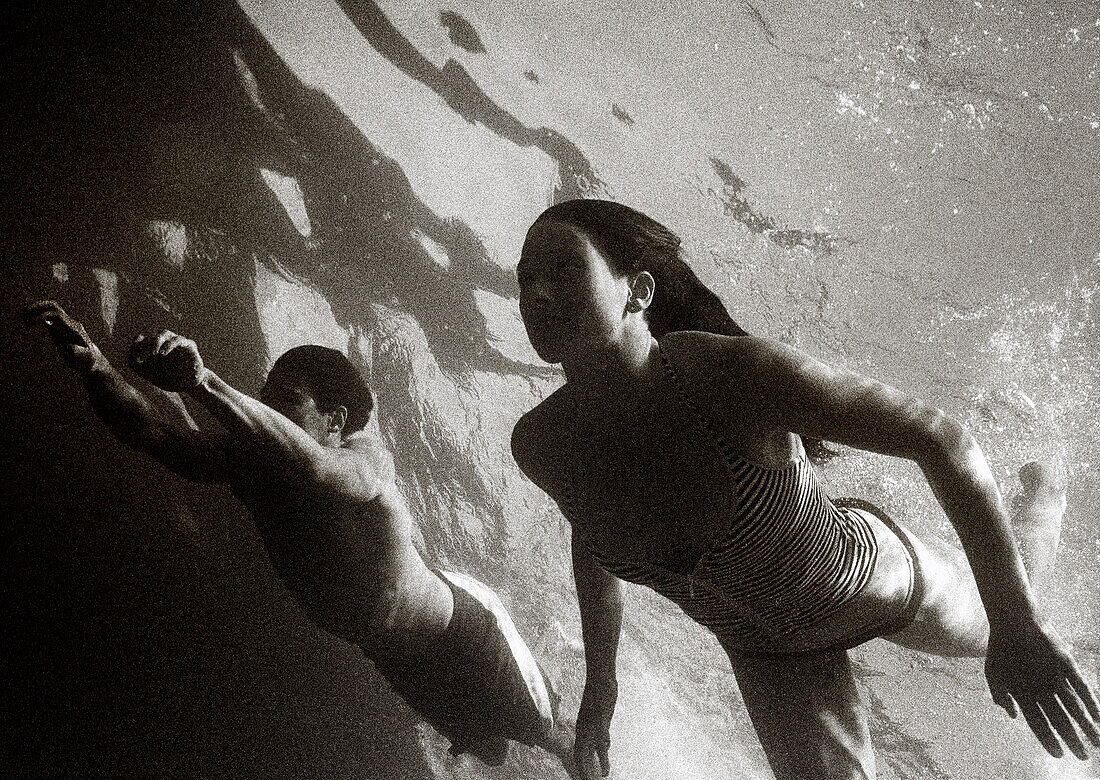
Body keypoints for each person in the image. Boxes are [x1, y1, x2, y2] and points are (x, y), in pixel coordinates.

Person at [508, 199, 1100, 779]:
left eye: (565, 269)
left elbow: (940, 438)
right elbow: (592, 536)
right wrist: (601, 684)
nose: (539, 294)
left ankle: (1046, 486)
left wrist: (1018, 623)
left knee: (1008, 604)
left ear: (637, 292)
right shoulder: (541, 446)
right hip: (770, 654)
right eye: (526, 278)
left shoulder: (726, 377)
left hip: (870, 580)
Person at [23, 300, 572, 770]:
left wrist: (203, 382)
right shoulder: (249, 463)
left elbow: (317, 472)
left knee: (565, 745)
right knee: (490, 752)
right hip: (397, 658)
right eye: (263, 397)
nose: (260, 413)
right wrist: (92, 365)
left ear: (334, 420)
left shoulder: (364, 458)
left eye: (282, 402)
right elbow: (155, 435)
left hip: (468, 635)